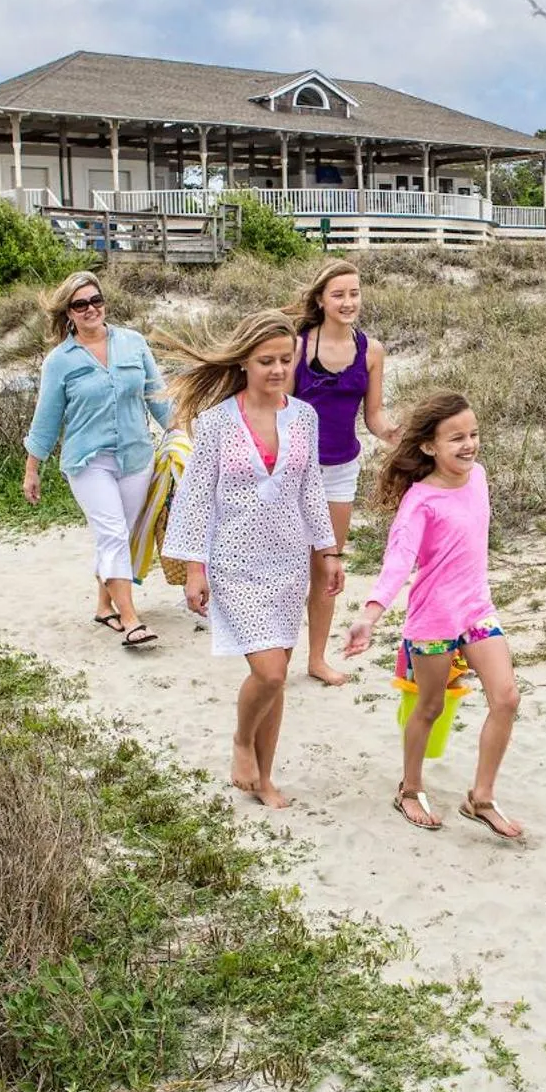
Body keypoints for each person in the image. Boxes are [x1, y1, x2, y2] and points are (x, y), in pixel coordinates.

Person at [158, 309, 341, 808]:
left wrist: (329, 553)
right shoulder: (217, 423)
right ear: (244, 362)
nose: (278, 369)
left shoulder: (304, 417)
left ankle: (264, 778)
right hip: (234, 564)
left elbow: (311, 490)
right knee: (271, 673)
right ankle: (242, 742)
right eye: (266, 361)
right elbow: (195, 496)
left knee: (276, 676)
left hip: (287, 562)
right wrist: (195, 569)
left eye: (286, 359)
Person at [343, 392, 522, 838]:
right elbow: (398, 562)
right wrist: (370, 615)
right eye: (456, 438)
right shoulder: (420, 501)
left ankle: (480, 798)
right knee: (429, 705)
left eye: (473, 434)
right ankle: (410, 788)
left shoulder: (478, 477)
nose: (469, 446)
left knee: (507, 698)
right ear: (429, 447)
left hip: (477, 610)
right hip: (434, 618)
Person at [23, 271, 172, 648]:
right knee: (113, 533)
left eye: (96, 301)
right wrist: (32, 469)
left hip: (136, 456)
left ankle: (104, 606)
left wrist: (184, 434)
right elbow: (46, 419)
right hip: (88, 461)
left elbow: (158, 398)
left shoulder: (133, 343)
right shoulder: (60, 361)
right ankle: (131, 618)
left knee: (120, 533)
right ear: (68, 313)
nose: (91, 309)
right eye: (80, 304)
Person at [289, 259, 398, 686]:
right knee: (290, 567)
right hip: (295, 472)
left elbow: (373, 416)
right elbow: (280, 411)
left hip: (340, 472)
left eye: (354, 293)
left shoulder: (371, 350)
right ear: (321, 300)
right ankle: (274, 653)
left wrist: (395, 433)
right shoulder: (298, 347)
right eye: (339, 294)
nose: (348, 301)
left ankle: (317, 659)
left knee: (326, 567)